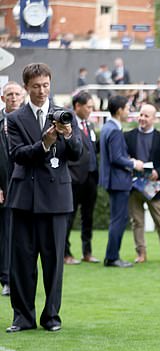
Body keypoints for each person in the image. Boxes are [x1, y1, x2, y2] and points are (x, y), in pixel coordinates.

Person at [6, 63, 82, 333]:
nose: (41, 91)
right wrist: (45, 144)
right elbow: (18, 155)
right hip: (24, 197)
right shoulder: (14, 119)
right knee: (22, 262)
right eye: (36, 86)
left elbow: (77, 154)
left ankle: (51, 317)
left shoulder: (64, 114)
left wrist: (69, 135)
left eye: (46, 85)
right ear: (26, 87)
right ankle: (23, 318)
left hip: (56, 198)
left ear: (51, 84)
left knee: (53, 264)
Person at [124, 104, 160, 263]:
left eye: (146, 116)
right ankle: (141, 253)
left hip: (154, 186)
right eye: (141, 115)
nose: (142, 118)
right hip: (134, 187)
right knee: (137, 222)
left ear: (154, 119)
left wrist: (158, 172)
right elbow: (123, 157)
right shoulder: (128, 136)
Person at [99, 95, 144, 268]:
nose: (129, 111)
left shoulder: (108, 127)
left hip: (114, 180)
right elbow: (116, 158)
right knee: (118, 220)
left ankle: (112, 256)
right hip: (118, 181)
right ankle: (112, 257)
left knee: (117, 219)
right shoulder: (115, 130)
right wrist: (135, 163)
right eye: (127, 108)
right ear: (119, 111)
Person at [64, 91, 100, 265]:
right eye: (89, 106)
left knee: (88, 217)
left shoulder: (90, 126)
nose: (91, 110)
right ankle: (65, 253)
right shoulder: (67, 125)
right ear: (77, 106)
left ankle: (87, 252)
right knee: (68, 217)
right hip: (74, 179)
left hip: (91, 178)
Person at [0, 81, 24, 297]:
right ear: (2, 98)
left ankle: (19, 279)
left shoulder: (28, 121)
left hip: (24, 186)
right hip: (3, 187)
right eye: (9, 94)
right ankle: (6, 278)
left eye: (17, 94)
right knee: (5, 234)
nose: (14, 97)